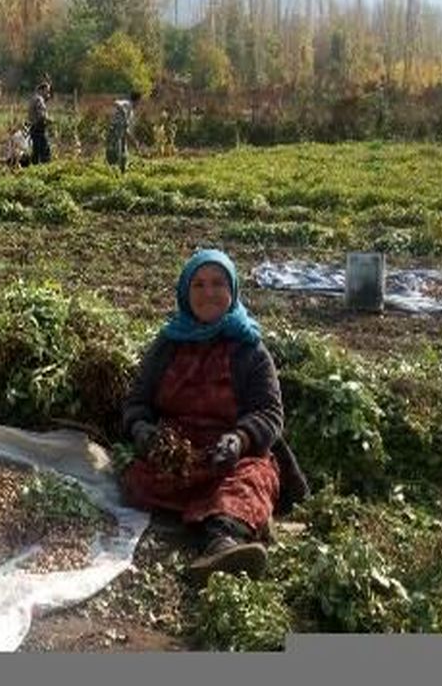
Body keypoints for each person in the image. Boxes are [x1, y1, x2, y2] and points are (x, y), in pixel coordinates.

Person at [120, 250, 308, 583]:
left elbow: (269, 412)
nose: (209, 293)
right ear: (185, 293)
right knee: (137, 479)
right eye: (199, 285)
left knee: (249, 483)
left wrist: (239, 439)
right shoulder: (167, 345)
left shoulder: (250, 349)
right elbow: (137, 402)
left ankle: (222, 544)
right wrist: (144, 432)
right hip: (177, 454)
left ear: (232, 290)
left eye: (218, 283)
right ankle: (202, 519)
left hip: (232, 457)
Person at [105, 90, 142, 173]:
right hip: (115, 135)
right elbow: (116, 103)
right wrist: (122, 111)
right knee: (115, 156)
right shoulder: (127, 105)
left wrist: (134, 142)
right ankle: (115, 173)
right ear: (137, 101)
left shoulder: (131, 112)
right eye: (139, 102)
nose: (139, 105)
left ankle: (121, 173)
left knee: (123, 157)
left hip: (120, 136)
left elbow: (127, 129)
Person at [26, 80, 52, 166]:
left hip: (34, 127)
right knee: (45, 151)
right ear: (42, 90)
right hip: (39, 128)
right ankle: (46, 169)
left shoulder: (34, 98)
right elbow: (41, 116)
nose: (48, 93)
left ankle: (34, 168)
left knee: (36, 151)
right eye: (47, 91)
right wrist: (50, 120)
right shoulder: (39, 99)